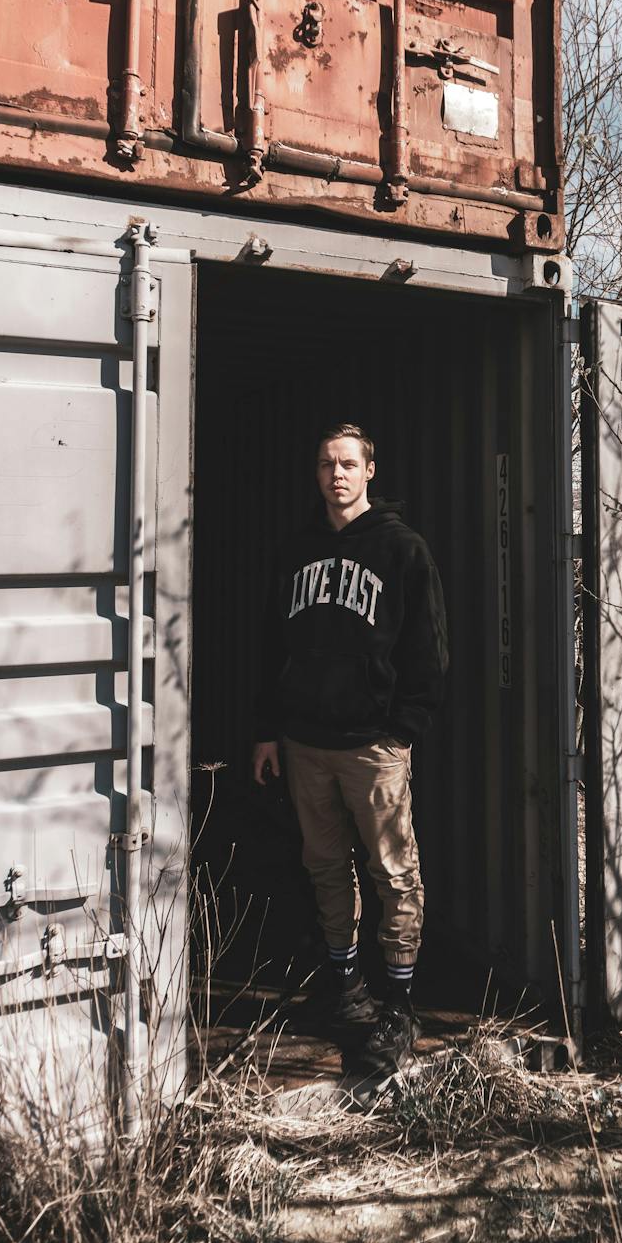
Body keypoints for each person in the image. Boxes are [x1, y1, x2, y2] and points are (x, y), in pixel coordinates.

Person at [252, 423, 448, 1076]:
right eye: (325, 464)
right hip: (306, 742)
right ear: (317, 474)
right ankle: (347, 990)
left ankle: (398, 1005)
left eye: (347, 463)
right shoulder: (294, 550)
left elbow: (428, 650)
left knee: (394, 873)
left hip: (372, 746)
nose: (336, 474)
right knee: (326, 868)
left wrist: (403, 730)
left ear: (370, 472)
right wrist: (266, 729)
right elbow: (271, 646)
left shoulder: (402, 550)